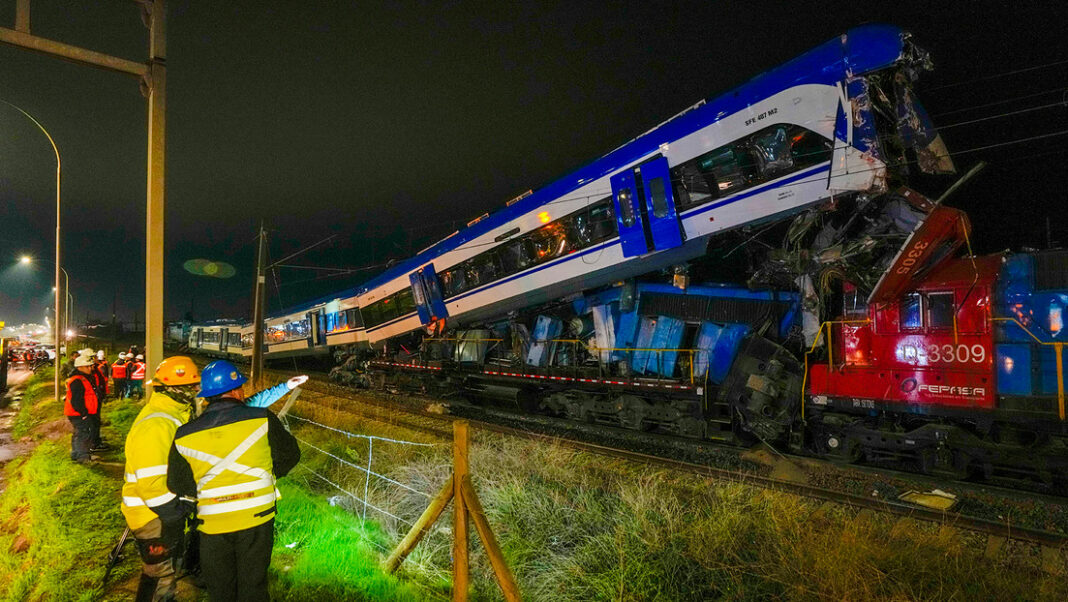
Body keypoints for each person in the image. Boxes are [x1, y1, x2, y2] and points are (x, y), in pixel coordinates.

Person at [167, 361, 307, 601]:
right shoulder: (261, 418)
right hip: (257, 517)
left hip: (212, 523)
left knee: (220, 588)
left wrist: (206, 490)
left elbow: (177, 483)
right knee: (253, 585)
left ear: (207, 396)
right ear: (236, 391)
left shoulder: (184, 434)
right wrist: (268, 475)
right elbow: (290, 455)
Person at [121, 356, 203, 602]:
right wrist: (177, 512)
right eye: (191, 387)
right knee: (162, 578)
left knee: (157, 572)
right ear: (175, 389)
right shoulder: (158, 424)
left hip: (156, 512)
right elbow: (152, 484)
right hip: (152, 514)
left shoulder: (171, 415)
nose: (196, 392)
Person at [64, 349, 99, 464]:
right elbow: (76, 400)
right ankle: (83, 457)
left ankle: (76, 454)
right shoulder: (77, 381)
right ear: (80, 367)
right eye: (87, 366)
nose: (90, 368)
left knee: (79, 433)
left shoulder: (82, 378)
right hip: (79, 414)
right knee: (84, 434)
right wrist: (84, 413)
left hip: (78, 413)